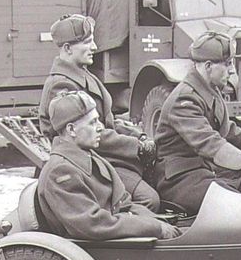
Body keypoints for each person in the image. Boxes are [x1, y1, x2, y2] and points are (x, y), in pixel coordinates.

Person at [154, 31, 241, 214]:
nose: (232, 70)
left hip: (204, 170)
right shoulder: (184, 99)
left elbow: (231, 132)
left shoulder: (210, 90)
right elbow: (210, 142)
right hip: (179, 179)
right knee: (236, 204)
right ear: (208, 66)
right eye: (227, 64)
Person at [39, 14, 160, 212]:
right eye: (87, 42)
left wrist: (139, 136)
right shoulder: (61, 85)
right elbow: (86, 132)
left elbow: (106, 120)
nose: (95, 47)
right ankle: (125, 227)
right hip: (87, 162)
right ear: (67, 48)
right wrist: (135, 146)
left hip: (103, 155)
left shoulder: (84, 74)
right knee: (149, 199)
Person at [37, 90, 180, 241]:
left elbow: (124, 203)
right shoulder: (61, 171)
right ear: (71, 129)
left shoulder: (89, 156)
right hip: (97, 248)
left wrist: (157, 221)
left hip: (111, 241)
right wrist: (154, 228)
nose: (100, 127)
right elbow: (92, 224)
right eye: (92, 122)